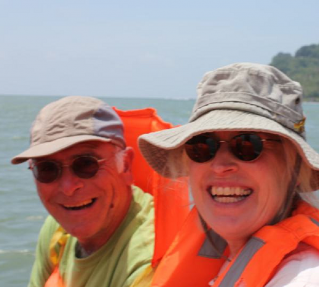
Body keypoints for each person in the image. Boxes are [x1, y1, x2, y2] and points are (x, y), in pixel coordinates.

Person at [138, 63, 319, 286]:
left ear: (295, 168)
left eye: (248, 145)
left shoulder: (303, 277)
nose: (220, 166)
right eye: (202, 145)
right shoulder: (229, 260)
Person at [11, 96, 155, 287]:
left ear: (126, 165)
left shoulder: (149, 259)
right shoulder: (56, 229)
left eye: (86, 164)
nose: (68, 187)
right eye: (47, 169)